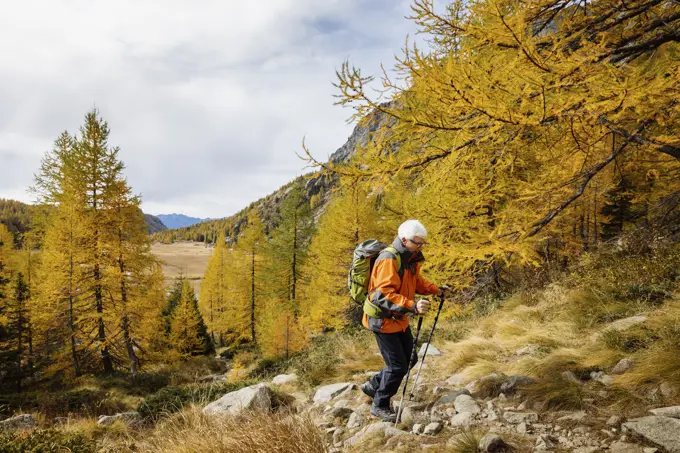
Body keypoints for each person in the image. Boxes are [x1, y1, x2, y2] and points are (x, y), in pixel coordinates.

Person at [361, 219, 451, 422]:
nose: (420, 247)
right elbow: (382, 294)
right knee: (397, 367)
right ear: (404, 239)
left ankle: (373, 385)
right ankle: (380, 404)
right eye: (416, 243)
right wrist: (412, 306)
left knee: (410, 359)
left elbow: (415, 282)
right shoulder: (389, 259)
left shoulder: (409, 258)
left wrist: (436, 290)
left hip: (398, 318)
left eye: (422, 243)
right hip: (382, 319)